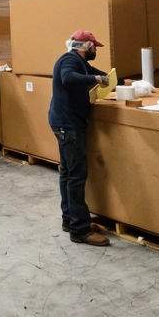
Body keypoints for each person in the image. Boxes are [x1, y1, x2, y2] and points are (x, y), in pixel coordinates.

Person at [48, 29, 112, 247]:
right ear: (85, 46)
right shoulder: (69, 61)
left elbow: (101, 74)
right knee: (76, 175)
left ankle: (70, 220)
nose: (96, 50)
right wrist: (95, 79)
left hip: (65, 122)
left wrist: (122, 81)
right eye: (94, 46)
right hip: (68, 124)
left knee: (67, 173)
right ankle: (80, 230)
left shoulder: (80, 62)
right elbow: (68, 78)